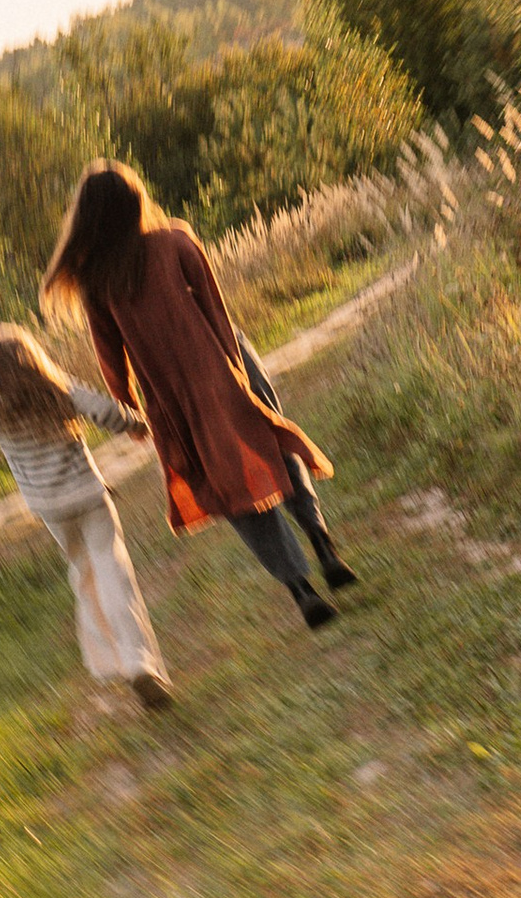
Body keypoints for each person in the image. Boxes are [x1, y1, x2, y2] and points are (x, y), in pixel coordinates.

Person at [40, 159, 357, 632]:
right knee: (273, 447)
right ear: (135, 203)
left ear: (88, 219)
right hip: (227, 366)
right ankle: (324, 547)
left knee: (231, 489)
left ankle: (302, 591)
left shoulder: (96, 283)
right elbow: (216, 310)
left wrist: (132, 413)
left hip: (174, 401)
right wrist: (236, 373)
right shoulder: (174, 240)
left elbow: (112, 361)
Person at [0, 320, 174, 709]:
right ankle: (138, 661)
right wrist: (138, 425)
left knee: (84, 573)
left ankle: (109, 660)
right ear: (33, 360)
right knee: (112, 570)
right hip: (87, 496)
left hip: (51, 508)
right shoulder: (57, 389)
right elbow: (105, 410)